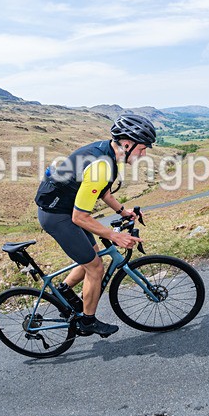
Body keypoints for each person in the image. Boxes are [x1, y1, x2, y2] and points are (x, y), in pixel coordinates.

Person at [34, 114, 155, 337]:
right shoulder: (102, 166)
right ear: (127, 144)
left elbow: (104, 191)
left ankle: (64, 291)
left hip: (65, 208)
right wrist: (115, 236)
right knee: (95, 266)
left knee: (92, 254)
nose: (144, 153)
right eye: (142, 148)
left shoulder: (108, 151)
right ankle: (88, 322)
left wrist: (121, 211)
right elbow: (79, 218)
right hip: (57, 214)